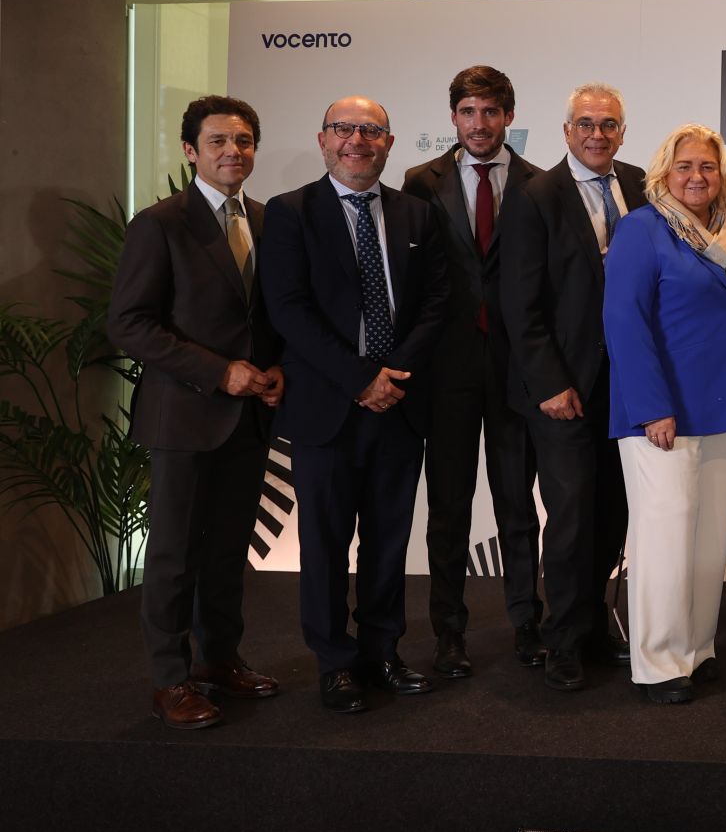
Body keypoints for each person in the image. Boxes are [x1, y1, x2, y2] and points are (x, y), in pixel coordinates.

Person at [259, 96, 449, 714]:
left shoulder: (417, 213)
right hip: (328, 406)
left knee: (389, 539)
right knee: (325, 542)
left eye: (371, 130)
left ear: (389, 143)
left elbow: (435, 305)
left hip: (399, 403)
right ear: (323, 139)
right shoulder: (290, 212)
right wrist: (360, 379)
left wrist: (391, 378)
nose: (357, 140)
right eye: (344, 129)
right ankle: (334, 662)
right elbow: (288, 309)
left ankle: (382, 651)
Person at [109, 96, 285, 729]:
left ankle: (219, 660)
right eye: (217, 141)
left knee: (229, 549)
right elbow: (129, 324)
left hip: (251, 416)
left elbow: (271, 316)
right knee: (175, 554)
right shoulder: (159, 224)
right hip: (184, 416)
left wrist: (278, 369)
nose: (232, 151)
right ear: (191, 151)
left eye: (243, 141)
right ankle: (169, 679)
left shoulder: (267, 220)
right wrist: (218, 371)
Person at [497, 83, 645, 692]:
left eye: (608, 124)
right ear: (565, 131)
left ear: (622, 132)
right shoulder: (535, 196)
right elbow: (519, 303)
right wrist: (551, 383)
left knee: (613, 513)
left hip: (627, 385)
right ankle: (561, 638)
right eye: (585, 123)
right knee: (570, 515)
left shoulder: (640, 185)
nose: (596, 134)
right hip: (563, 389)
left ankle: (592, 626)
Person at [604, 124, 726, 704]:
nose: (697, 176)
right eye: (685, 166)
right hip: (661, 411)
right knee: (664, 538)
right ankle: (659, 662)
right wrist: (651, 408)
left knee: (709, 539)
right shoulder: (641, 229)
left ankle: (696, 647)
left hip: (721, 404)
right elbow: (624, 321)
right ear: (664, 173)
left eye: (708, 167)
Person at [400, 65, 545, 679]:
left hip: (517, 370)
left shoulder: (540, 184)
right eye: (468, 112)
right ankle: (449, 634)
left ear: (509, 116)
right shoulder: (419, 182)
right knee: (448, 508)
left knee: (518, 505)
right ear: (453, 117)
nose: (479, 124)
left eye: (490, 111)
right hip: (446, 370)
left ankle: (528, 625)